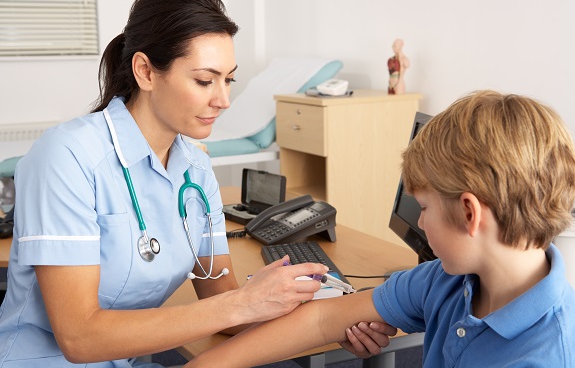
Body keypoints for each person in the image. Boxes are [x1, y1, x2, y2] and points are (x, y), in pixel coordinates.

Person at [0, 0, 334, 367]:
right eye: (206, 81)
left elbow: (218, 297)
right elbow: (79, 338)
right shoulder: (67, 157)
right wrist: (242, 303)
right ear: (145, 71)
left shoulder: (195, 168)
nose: (223, 100)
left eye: (230, 80)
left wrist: (324, 313)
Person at [185, 90, 575, 368]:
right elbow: (321, 319)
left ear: (470, 214)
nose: (419, 222)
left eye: (424, 209)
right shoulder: (445, 280)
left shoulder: (546, 355)